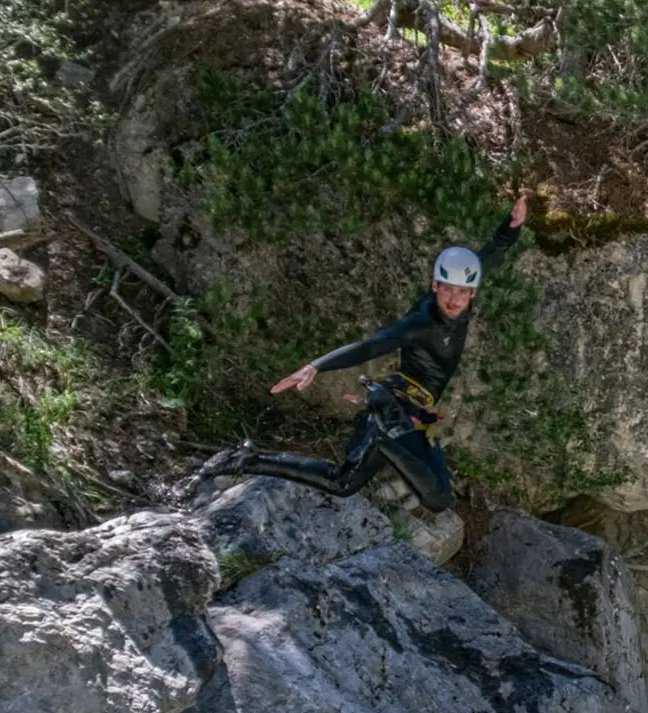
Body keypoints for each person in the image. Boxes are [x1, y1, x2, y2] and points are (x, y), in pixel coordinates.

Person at [191, 195, 528, 511]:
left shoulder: (462, 301)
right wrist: (317, 366)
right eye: (448, 290)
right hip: (395, 406)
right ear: (435, 285)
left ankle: (248, 460)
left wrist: (512, 227)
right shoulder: (421, 323)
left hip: (413, 411)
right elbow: (371, 346)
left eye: (463, 292)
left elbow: (492, 254)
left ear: (472, 292)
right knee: (437, 498)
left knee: (344, 482)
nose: (455, 300)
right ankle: (382, 435)